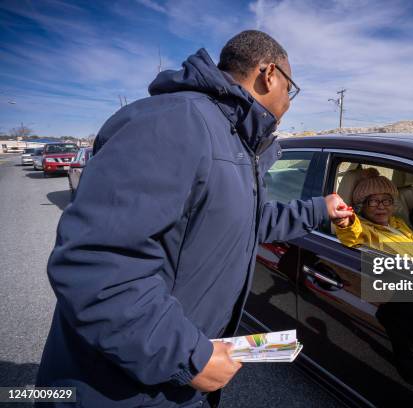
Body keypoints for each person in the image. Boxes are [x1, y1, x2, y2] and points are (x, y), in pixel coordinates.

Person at [35, 30, 352, 408]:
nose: (289, 101)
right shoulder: (176, 121)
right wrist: (187, 355)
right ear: (269, 74)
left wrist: (320, 209)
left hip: (169, 379)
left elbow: (245, 222)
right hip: (122, 387)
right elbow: (97, 263)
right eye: (291, 87)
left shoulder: (233, 140)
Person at [334, 168, 413, 259]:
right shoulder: (365, 230)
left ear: (393, 204)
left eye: (386, 201)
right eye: (373, 201)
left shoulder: (396, 222)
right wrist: (344, 222)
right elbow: (351, 235)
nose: (381, 206)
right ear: (361, 206)